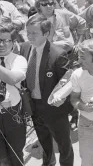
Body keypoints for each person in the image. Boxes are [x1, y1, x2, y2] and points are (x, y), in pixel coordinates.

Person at [20, 14, 74, 166]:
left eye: (34, 33)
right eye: (27, 32)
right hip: (33, 107)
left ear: (46, 33)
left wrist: (61, 101)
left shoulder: (58, 54)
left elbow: (66, 82)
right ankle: (48, 161)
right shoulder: (24, 48)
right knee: (44, 140)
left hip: (54, 110)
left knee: (64, 146)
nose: (29, 36)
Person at [0, 21, 27, 166]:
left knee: (16, 155)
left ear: (13, 42)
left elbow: (12, 78)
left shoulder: (19, 59)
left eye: (6, 41)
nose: (2, 44)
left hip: (13, 114)